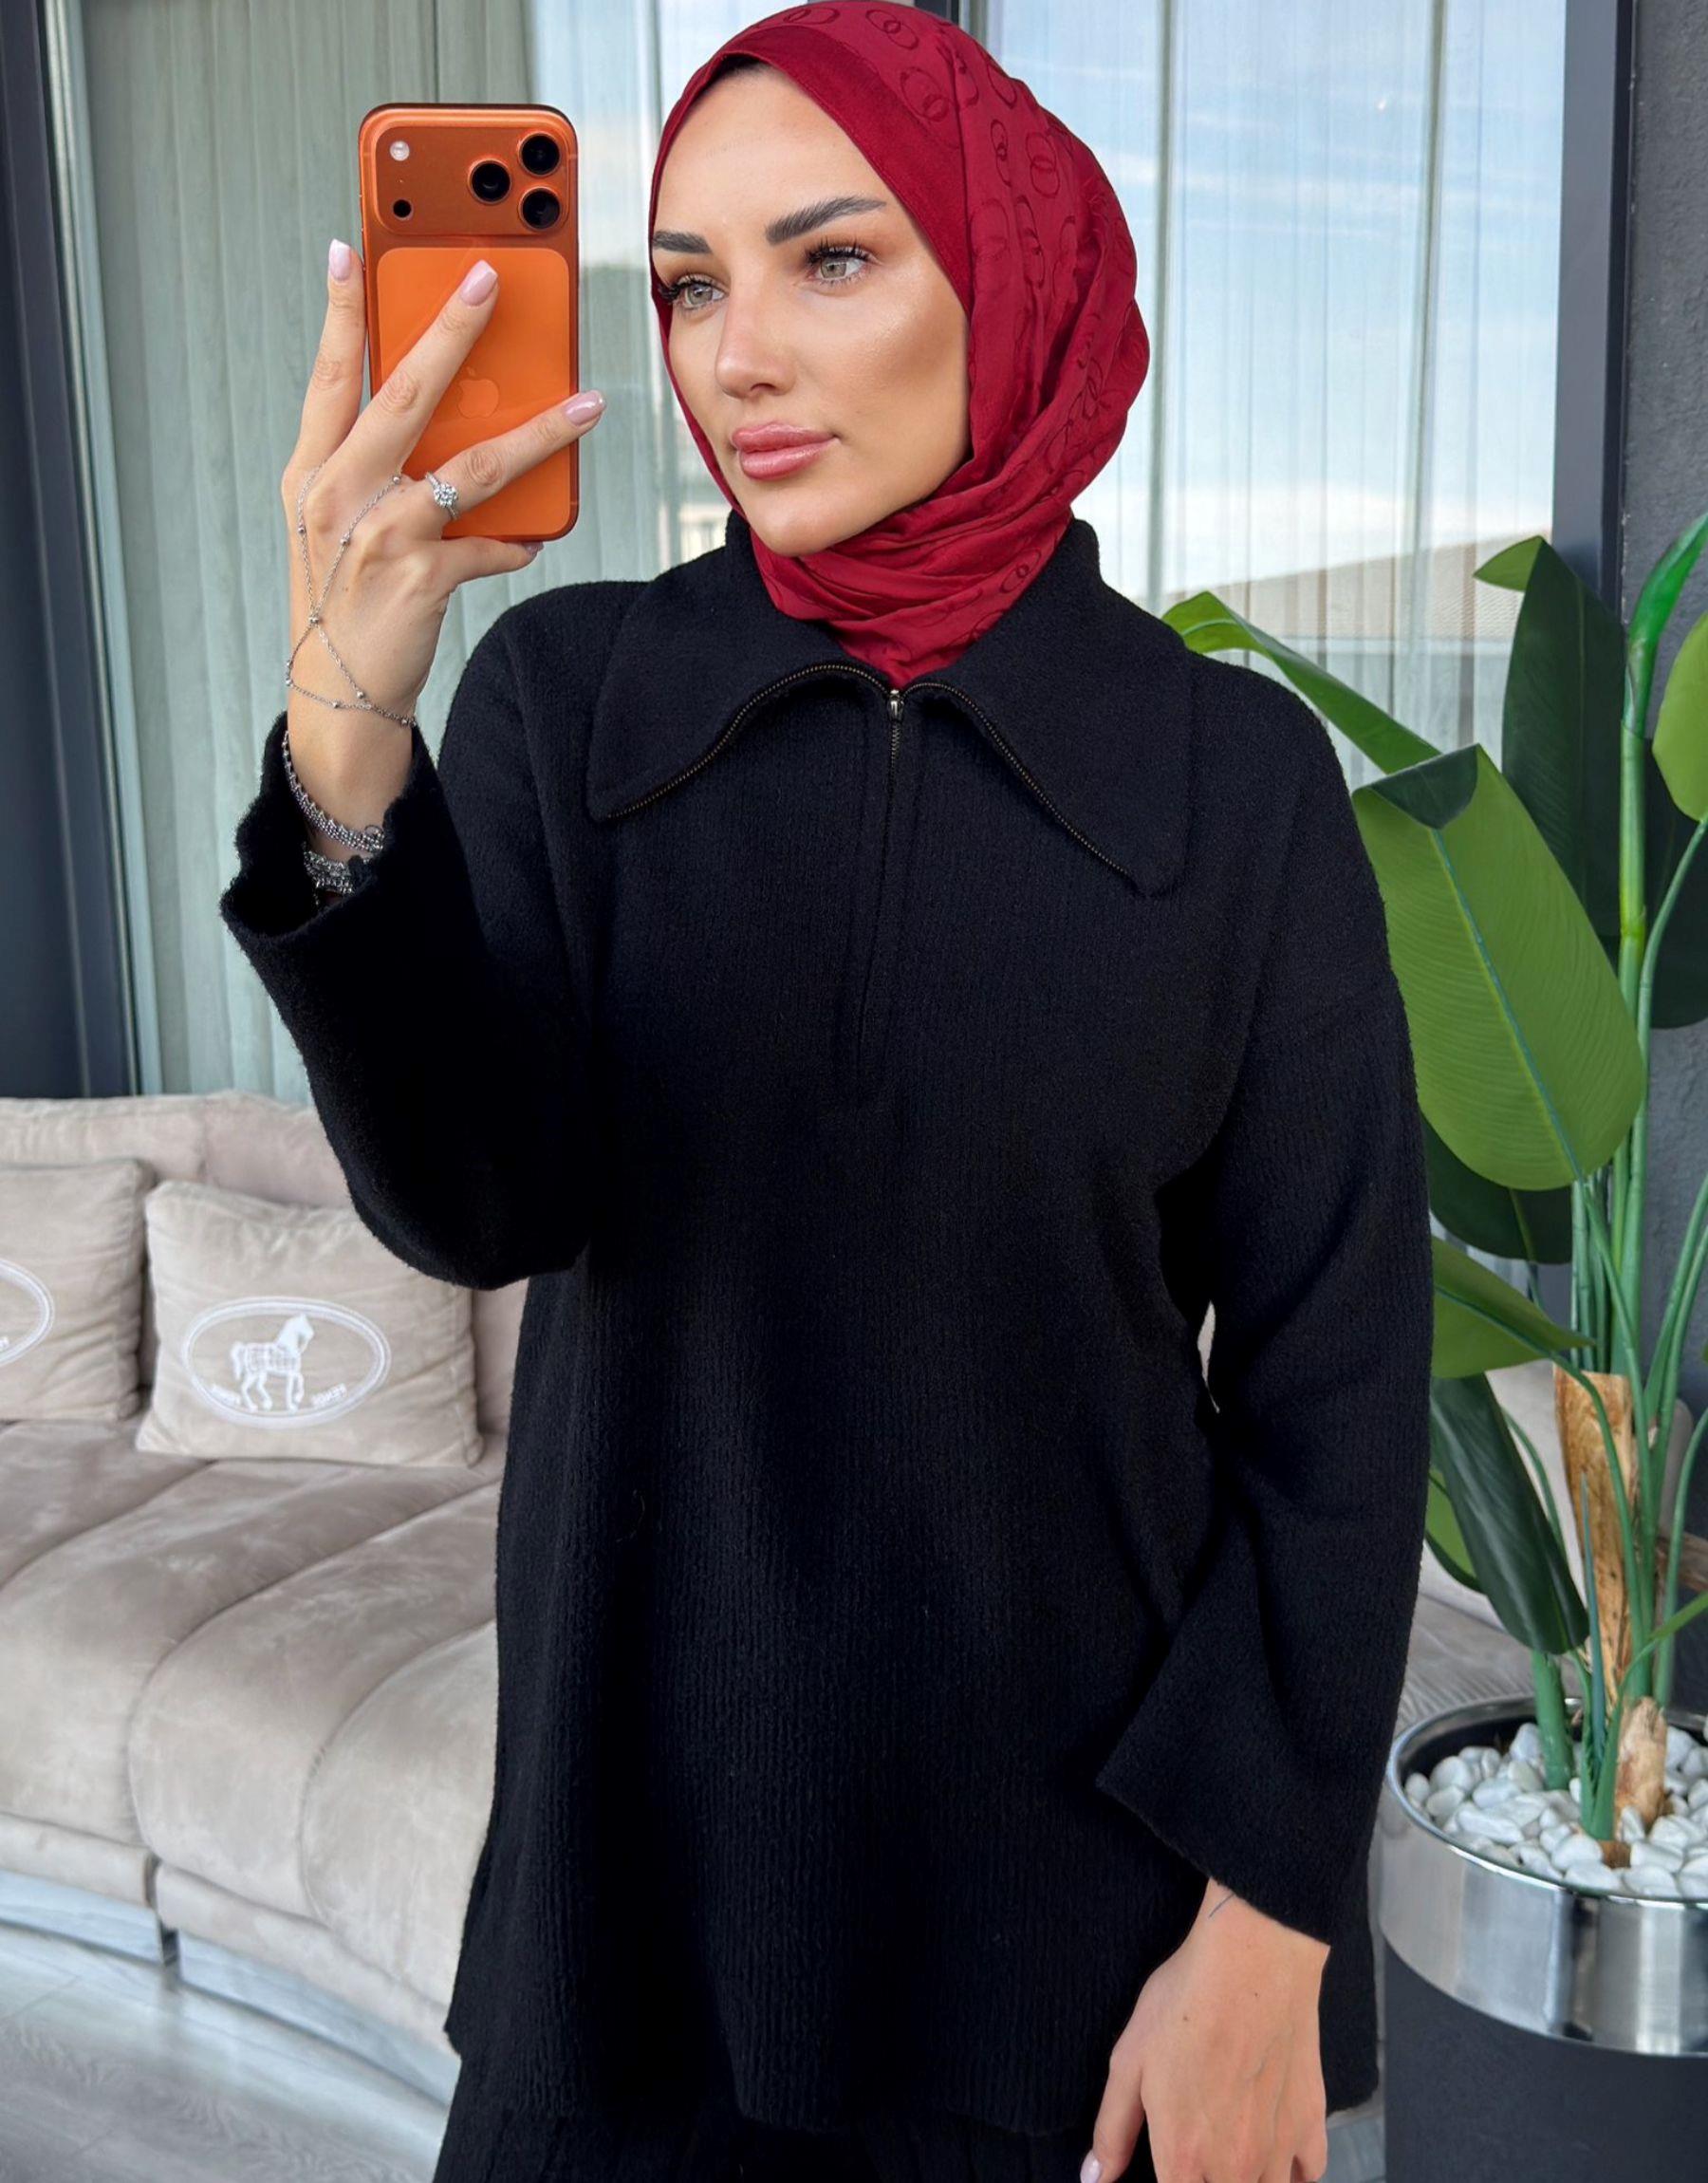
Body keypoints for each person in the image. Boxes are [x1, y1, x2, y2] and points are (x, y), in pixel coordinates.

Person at [219, 9, 1436, 2183]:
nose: (736, 355)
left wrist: (1266, 1931)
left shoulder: (1231, 780)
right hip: (629, 1924)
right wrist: (345, 734)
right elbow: (472, 1203)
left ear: (1018, 281)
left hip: (1084, 1960)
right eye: (691, 282)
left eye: (833, 258)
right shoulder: (570, 697)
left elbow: (1334, 1405)